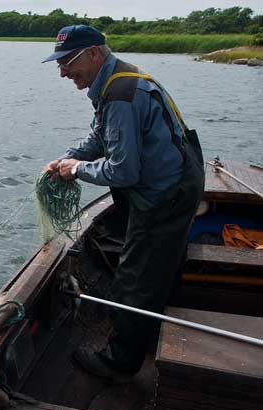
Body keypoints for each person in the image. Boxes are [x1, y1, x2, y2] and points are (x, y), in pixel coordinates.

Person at [42, 25, 205, 382]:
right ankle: (155, 325)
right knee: (162, 262)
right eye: (59, 63)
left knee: (136, 276)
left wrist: (77, 170)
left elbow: (123, 171)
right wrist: (69, 156)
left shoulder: (120, 94)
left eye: (68, 61)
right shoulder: (118, 78)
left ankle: (121, 362)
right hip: (183, 178)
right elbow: (101, 135)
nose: (63, 71)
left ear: (95, 54)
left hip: (167, 192)